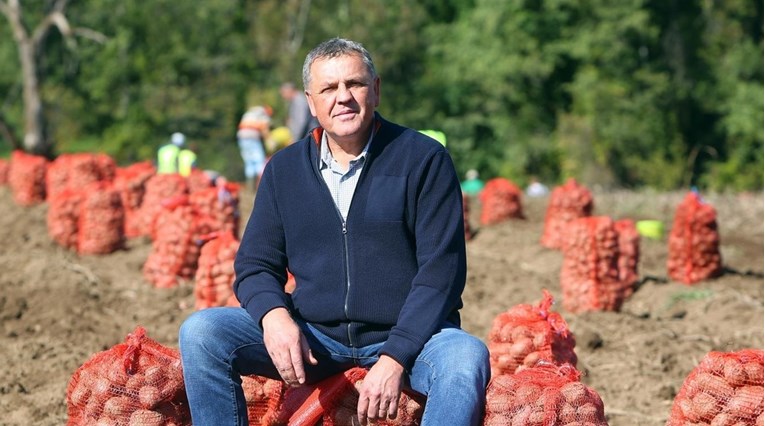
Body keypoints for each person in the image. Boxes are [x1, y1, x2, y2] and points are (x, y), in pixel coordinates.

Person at [179, 37, 490, 425]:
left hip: (412, 338)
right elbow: (256, 264)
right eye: (328, 88)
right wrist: (274, 317)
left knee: (465, 357)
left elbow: (440, 275)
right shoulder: (283, 170)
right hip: (316, 337)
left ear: (375, 90)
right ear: (311, 102)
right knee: (203, 333)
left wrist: (395, 358)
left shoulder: (423, 159)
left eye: (354, 84)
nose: (342, 97)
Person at [236, 105, 271, 190]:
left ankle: (250, 187)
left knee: (249, 162)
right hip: (253, 137)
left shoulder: (249, 113)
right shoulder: (263, 115)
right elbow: (264, 130)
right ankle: (261, 187)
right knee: (259, 162)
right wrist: (269, 142)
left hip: (242, 137)